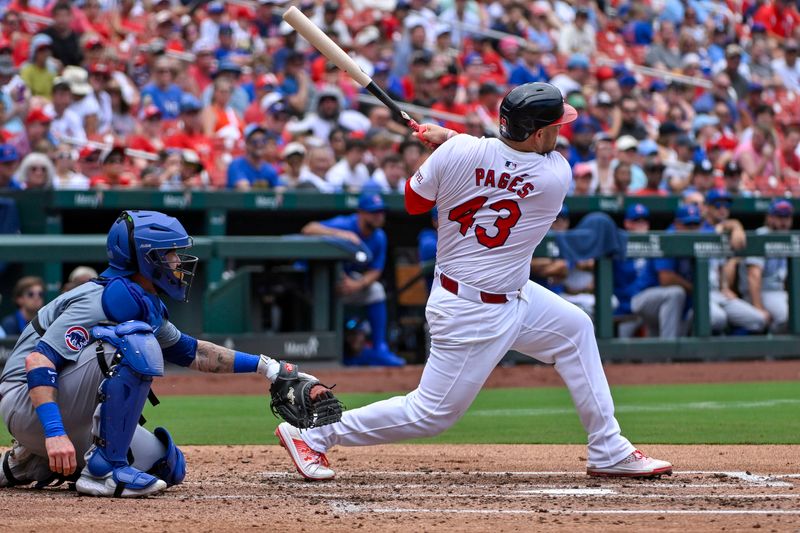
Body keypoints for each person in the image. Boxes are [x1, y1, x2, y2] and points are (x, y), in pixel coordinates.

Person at [275, 82, 671, 480]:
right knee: (430, 414)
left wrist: (446, 151)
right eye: (555, 125)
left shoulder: (460, 152)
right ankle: (313, 433)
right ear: (536, 133)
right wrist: (451, 143)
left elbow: (415, 203)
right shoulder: (555, 174)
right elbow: (500, 163)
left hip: (512, 294)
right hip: (472, 311)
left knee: (575, 330)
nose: (560, 131)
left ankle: (608, 448)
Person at [0, 211, 321, 497]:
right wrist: (54, 432)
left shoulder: (139, 300)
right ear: (145, 257)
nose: (178, 262)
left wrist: (270, 368)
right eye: (169, 253)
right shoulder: (100, 300)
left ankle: (26, 463)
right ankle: (103, 471)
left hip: (58, 411)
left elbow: (194, 353)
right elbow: (38, 361)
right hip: (25, 401)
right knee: (136, 342)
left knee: (166, 466)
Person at [300, 193, 404, 367]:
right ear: (360, 213)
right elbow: (308, 228)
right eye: (373, 212)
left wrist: (357, 284)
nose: (379, 216)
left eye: (381, 212)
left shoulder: (379, 237)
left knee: (376, 290)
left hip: (349, 285)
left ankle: (379, 348)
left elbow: (375, 271)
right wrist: (340, 234)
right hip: (319, 283)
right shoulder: (345, 224)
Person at [613, 204, 686, 338]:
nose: (641, 225)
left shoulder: (655, 244)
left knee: (674, 295)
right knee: (622, 353)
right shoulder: (618, 245)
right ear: (627, 223)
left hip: (649, 301)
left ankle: (667, 351)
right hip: (625, 305)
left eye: (644, 221)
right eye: (637, 221)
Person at [737, 200, 793, 333]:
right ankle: (772, 347)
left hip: (777, 292)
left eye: (787, 217)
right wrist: (758, 306)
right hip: (760, 292)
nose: (784, 221)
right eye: (779, 216)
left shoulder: (787, 237)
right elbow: (753, 276)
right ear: (769, 217)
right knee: (787, 315)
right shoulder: (761, 236)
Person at [226, 124, 282, 190]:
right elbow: (243, 188)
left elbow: (280, 189)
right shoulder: (237, 164)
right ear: (247, 144)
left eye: (263, 141)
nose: (260, 144)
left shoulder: (268, 169)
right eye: (255, 141)